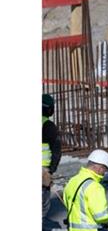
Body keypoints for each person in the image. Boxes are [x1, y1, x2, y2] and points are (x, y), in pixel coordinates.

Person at [42, 94, 62, 223]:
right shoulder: (48, 125)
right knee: (42, 205)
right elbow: (56, 150)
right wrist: (51, 170)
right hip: (42, 171)